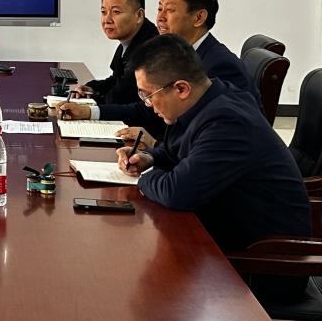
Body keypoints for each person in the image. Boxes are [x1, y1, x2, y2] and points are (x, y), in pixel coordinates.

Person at [116, 33, 308, 254]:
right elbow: (176, 151)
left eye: (148, 95)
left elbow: (177, 192)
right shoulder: (208, 99)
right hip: (222, 231)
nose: (148, 104)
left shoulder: (228, 122)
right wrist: (149, 158)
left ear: (181, 89)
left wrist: (143, 179)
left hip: (264, 258)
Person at [58, 0, 258, 139]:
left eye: (169, 10)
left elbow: (215, 134)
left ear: (198, 18)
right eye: (160, 9)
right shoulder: (178, 53)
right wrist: (90, 111)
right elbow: (149, 106)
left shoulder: (220, 64)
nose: (160, 18)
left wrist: (155, 146)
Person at [75, 0, 158, 106]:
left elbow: (119, 98)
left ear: (139, 15)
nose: (107, 20)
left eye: (116, 12)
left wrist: (88, 103)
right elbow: (117, 80)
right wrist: (92, 88)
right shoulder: (131, 39)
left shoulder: (150, 48)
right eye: (104, 12)